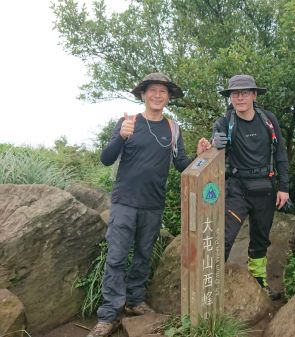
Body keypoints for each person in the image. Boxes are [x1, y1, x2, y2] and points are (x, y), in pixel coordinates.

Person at [88, 72, 211, 337]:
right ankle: (108, 314)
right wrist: (121, 136)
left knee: (143, 256)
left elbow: (181, 165)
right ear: (143, 95)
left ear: (168, 97)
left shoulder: (173, 128)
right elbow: (106, 159)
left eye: (162, 92)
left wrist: (199, 156)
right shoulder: (128, 122)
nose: (157, 95)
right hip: (124, 202)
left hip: (153, 204)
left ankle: (134, 301)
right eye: (152, 91)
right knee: (117, 256)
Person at [211, 74, 289, 300]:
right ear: (230, 98)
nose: (240, 97)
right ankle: (214, 285)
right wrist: (215, 145)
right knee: (224, 237)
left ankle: (259, 281)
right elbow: (214, 152)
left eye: (245, 93)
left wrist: (284, 187)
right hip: (237, 189)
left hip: (266, 188)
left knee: (261, 239)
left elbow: (281, 153)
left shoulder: (268, 120)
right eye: (235, 93)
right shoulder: (224, 123)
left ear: (254, 95)